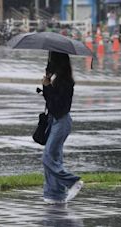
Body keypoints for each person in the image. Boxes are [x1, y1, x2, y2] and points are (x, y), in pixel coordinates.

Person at [41, 51, 83, 204]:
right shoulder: (58, 79)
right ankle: (55, 194)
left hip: (61, 121)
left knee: (47, 157)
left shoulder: (64, 81)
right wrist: (47, 83)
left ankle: (73, 182)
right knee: (55, 157)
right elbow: (51, 103)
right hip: (55, 121)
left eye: (52, 60)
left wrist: (47, 87)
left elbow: (58, 107)